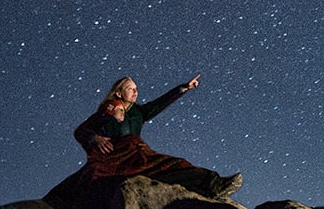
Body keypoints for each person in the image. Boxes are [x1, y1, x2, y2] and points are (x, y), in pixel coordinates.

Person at [71, 74, 242, 199]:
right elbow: (80, 131)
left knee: (175, 164)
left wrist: (184, 88)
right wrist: (95, 138)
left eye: (136, 89)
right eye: (130, 89)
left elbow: (160, 103)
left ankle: (212, 184)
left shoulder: (138, 112)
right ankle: (209, 184)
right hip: (117, 156)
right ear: (118, 93)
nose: (135, 92)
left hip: (138, 152)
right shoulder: (105, 112)